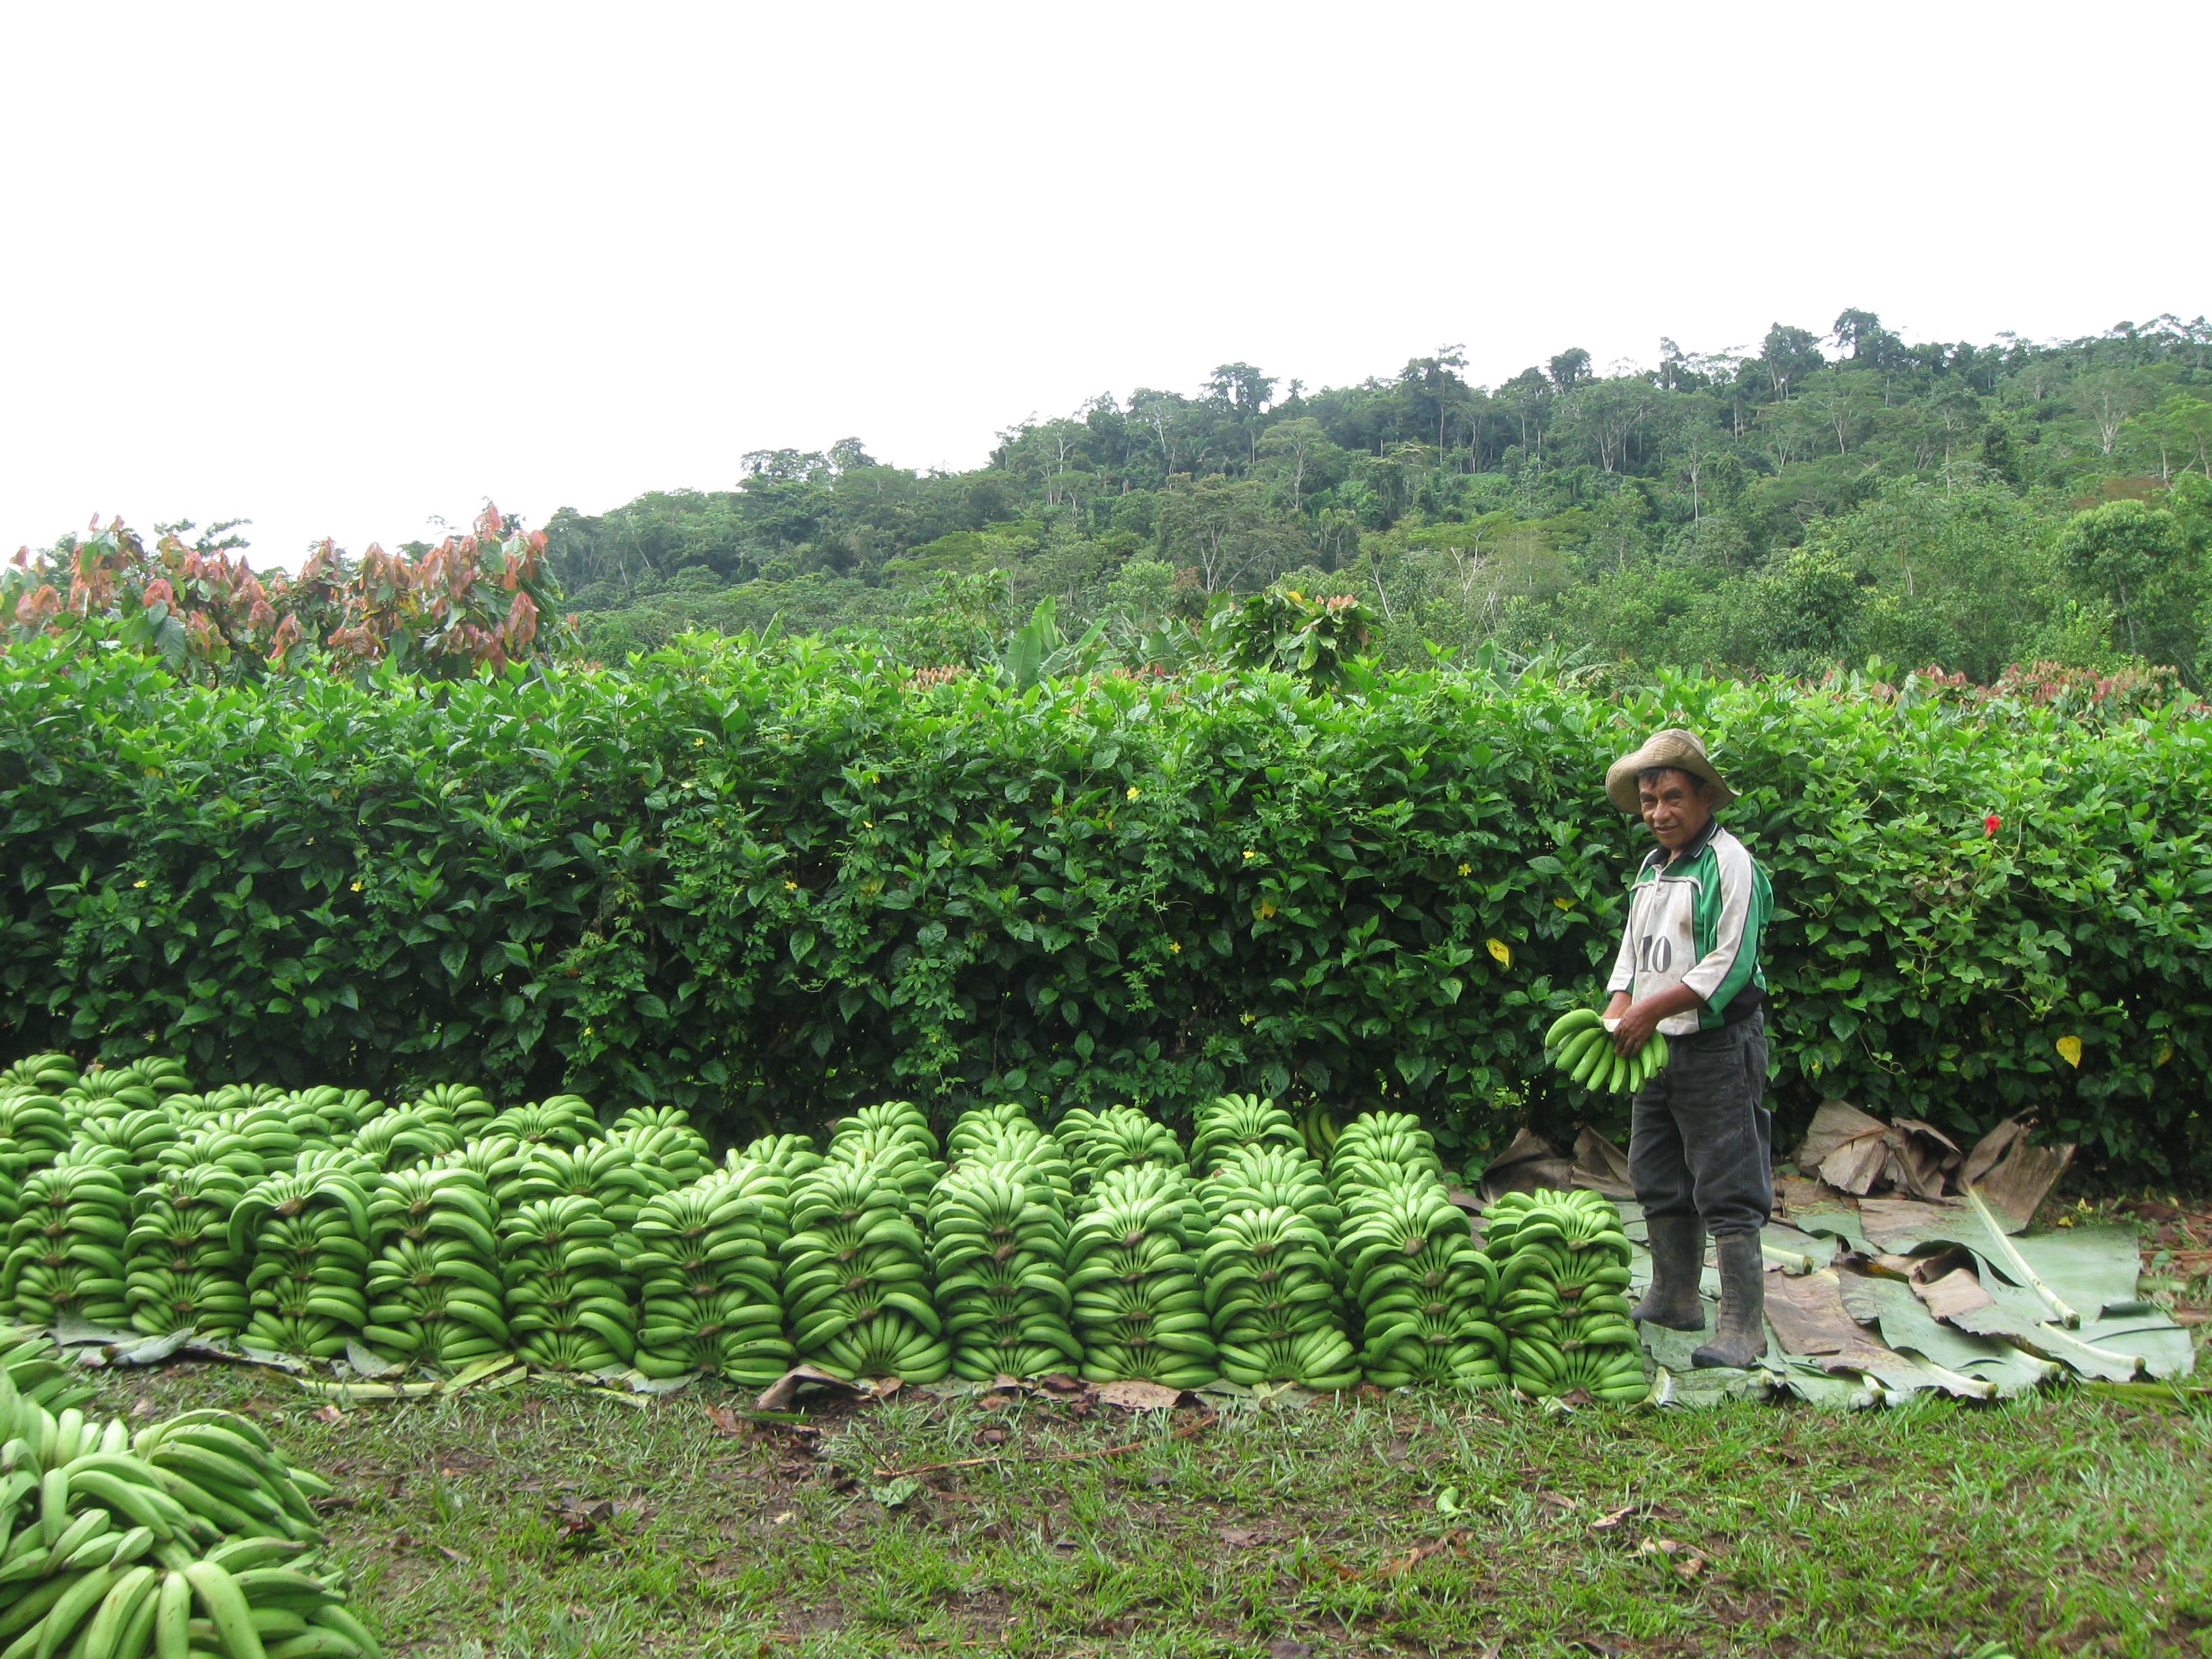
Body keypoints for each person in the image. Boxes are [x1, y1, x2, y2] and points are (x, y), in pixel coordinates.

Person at [1600, 729, 1774, 1368]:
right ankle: (1675, 1296)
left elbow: (1730, 966)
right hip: (1658, 1049)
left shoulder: (1730, 864)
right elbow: (1633, 954)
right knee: (1657, 1172)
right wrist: (1619, 1006)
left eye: (1672, 798)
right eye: (1648, 801)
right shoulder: (1653, 868)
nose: (1658, 813)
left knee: (1727, 1182)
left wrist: (1648, 1008)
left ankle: (1742, 1327)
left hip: (1718, 1049)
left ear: (1706, 798)